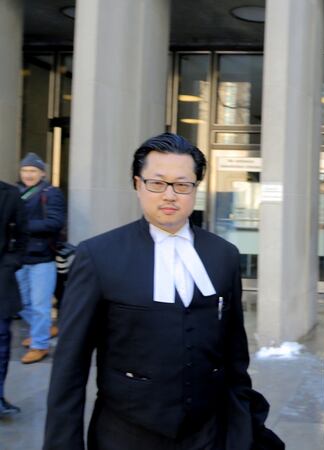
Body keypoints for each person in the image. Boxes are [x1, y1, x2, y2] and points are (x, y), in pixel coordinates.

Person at [44, 133, 282, 449]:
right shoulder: (98, 255)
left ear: (196, 188)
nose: (170, 195)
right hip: (125, 434)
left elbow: (235, 356)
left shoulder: (222, 255)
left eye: (182, 185)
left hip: (208, 434)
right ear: (137, 184)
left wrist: (240, 426)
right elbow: (69, 367)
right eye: (157, 183)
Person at [16, 152, 66, 364]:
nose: (28, 174)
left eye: (33, 170)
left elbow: (55, 222)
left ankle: (39, 344)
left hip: (42, 258)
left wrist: (22, 227)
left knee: (40, 305)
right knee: (20, 302)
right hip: (19, 256)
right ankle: (43, 329)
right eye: (25, 170)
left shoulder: (51, 193)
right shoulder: (15, 192)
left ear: (42, 173)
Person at [0, 180, 28, 416]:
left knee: (0, 342)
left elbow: (22, 234)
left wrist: (9, 265)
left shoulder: (10, 194)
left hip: (1, 279)